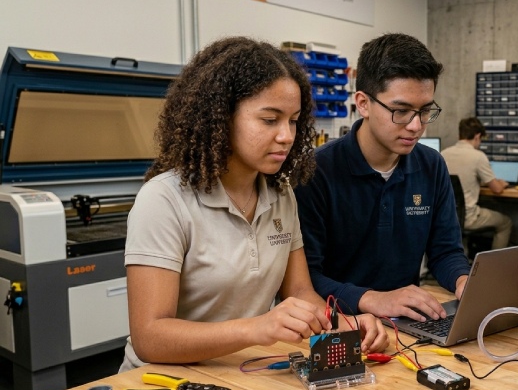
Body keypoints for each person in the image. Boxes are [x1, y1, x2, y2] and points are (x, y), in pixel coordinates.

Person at [119, 37, 388, 372]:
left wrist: (339, 323)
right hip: (161, 381)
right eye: (269, 119)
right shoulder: (164, 199)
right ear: (220, 117)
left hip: (241, 372)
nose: (287, 136)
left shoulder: (280, 193)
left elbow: (301, 291)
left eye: (293, 120)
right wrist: (257, 327)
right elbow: (150, 337)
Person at [294, 33, 471, 323]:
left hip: (406, 324)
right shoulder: (315, 171)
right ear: (363, 103)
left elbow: (445, 251)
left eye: (425, 111)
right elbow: (305, 280)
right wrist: (372, 299)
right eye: (401, 111)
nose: (416, 126)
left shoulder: (432, 166)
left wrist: (463, 281)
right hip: (338, 326)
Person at [441, 117, 513, 249]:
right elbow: (497, 189)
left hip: (445, 217)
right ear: (477, 136)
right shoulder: (478, 156)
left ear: (460, 135)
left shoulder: (443, 154)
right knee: (505, 223)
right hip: (469, 217)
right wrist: (502, 184)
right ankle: (495, 264)